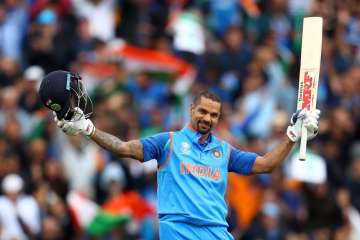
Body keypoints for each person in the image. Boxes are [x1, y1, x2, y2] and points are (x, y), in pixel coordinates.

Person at [38, 70, 320, 240]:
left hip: (216, 232)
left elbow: (267, 165)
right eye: (203, 112)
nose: (207, 118)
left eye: (214, 115)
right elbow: (123, 148)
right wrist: (89, 128)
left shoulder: (224, 151)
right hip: (179, 232)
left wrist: (293, 134)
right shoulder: (168, 142)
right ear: (191, 110)